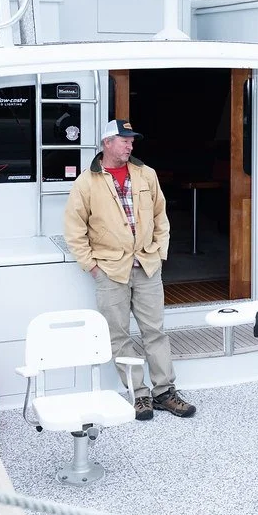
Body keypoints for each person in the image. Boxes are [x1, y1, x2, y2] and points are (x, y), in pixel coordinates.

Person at [63, 119, 195, 421]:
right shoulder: (87, 182)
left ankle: (165, 392)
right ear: (107, 143)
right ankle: (139, 396)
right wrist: (92, 266)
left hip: (147, 266)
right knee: (119, 335)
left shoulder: (146, 174)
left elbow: (161, 217)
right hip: (110, 270)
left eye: (132, 140)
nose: (130, 145)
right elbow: (74, 230)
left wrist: (160, 252)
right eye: (124, 140)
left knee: (155, 332)